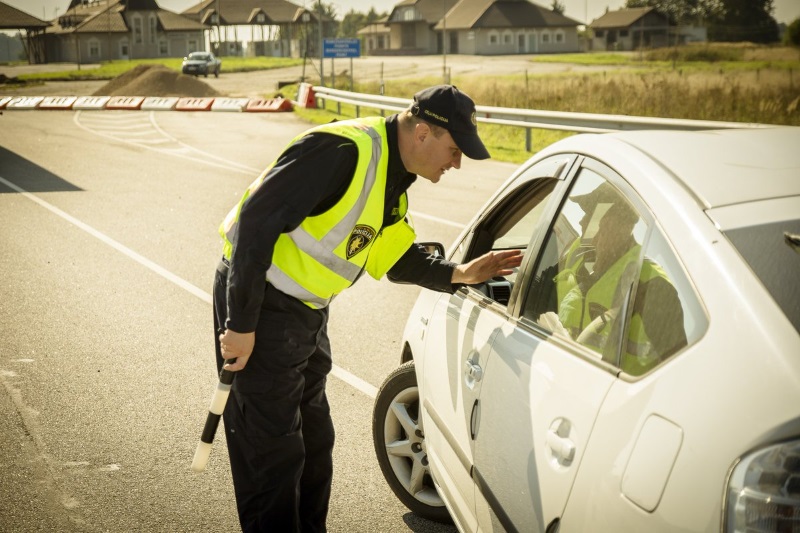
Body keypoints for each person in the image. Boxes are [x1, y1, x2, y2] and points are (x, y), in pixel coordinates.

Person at [212, 85, 523, 532]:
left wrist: (460, 273)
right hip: (260, 305)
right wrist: (241, 324)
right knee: (271, 455)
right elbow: (254, 223)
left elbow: (393, 257)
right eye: (454, 150)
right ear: (422, 133)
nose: (456, 163)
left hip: (305, 317)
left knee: (314, 443)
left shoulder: (394, 181)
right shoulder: (342, 151)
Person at [540, 191, 686, 374]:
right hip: (563, 374)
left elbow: (679, 368)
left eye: (590, 215)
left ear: (612, 225)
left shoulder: (651, 284)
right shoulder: (580, 256)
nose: (581, 222)